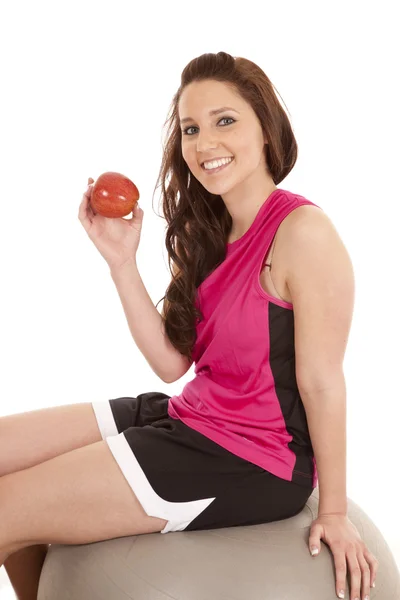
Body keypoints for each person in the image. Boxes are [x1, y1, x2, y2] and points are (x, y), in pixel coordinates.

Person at [0, 52, 378, 600]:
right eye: (190, 129)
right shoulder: (208, 232)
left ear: (266, 130)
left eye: (226, 121)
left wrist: (337, 509)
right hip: (190, 418)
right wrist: (122, 263)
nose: (205, 143)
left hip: (252, 456)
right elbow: (173, 363)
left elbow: (322, 381)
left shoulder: (304, 233)